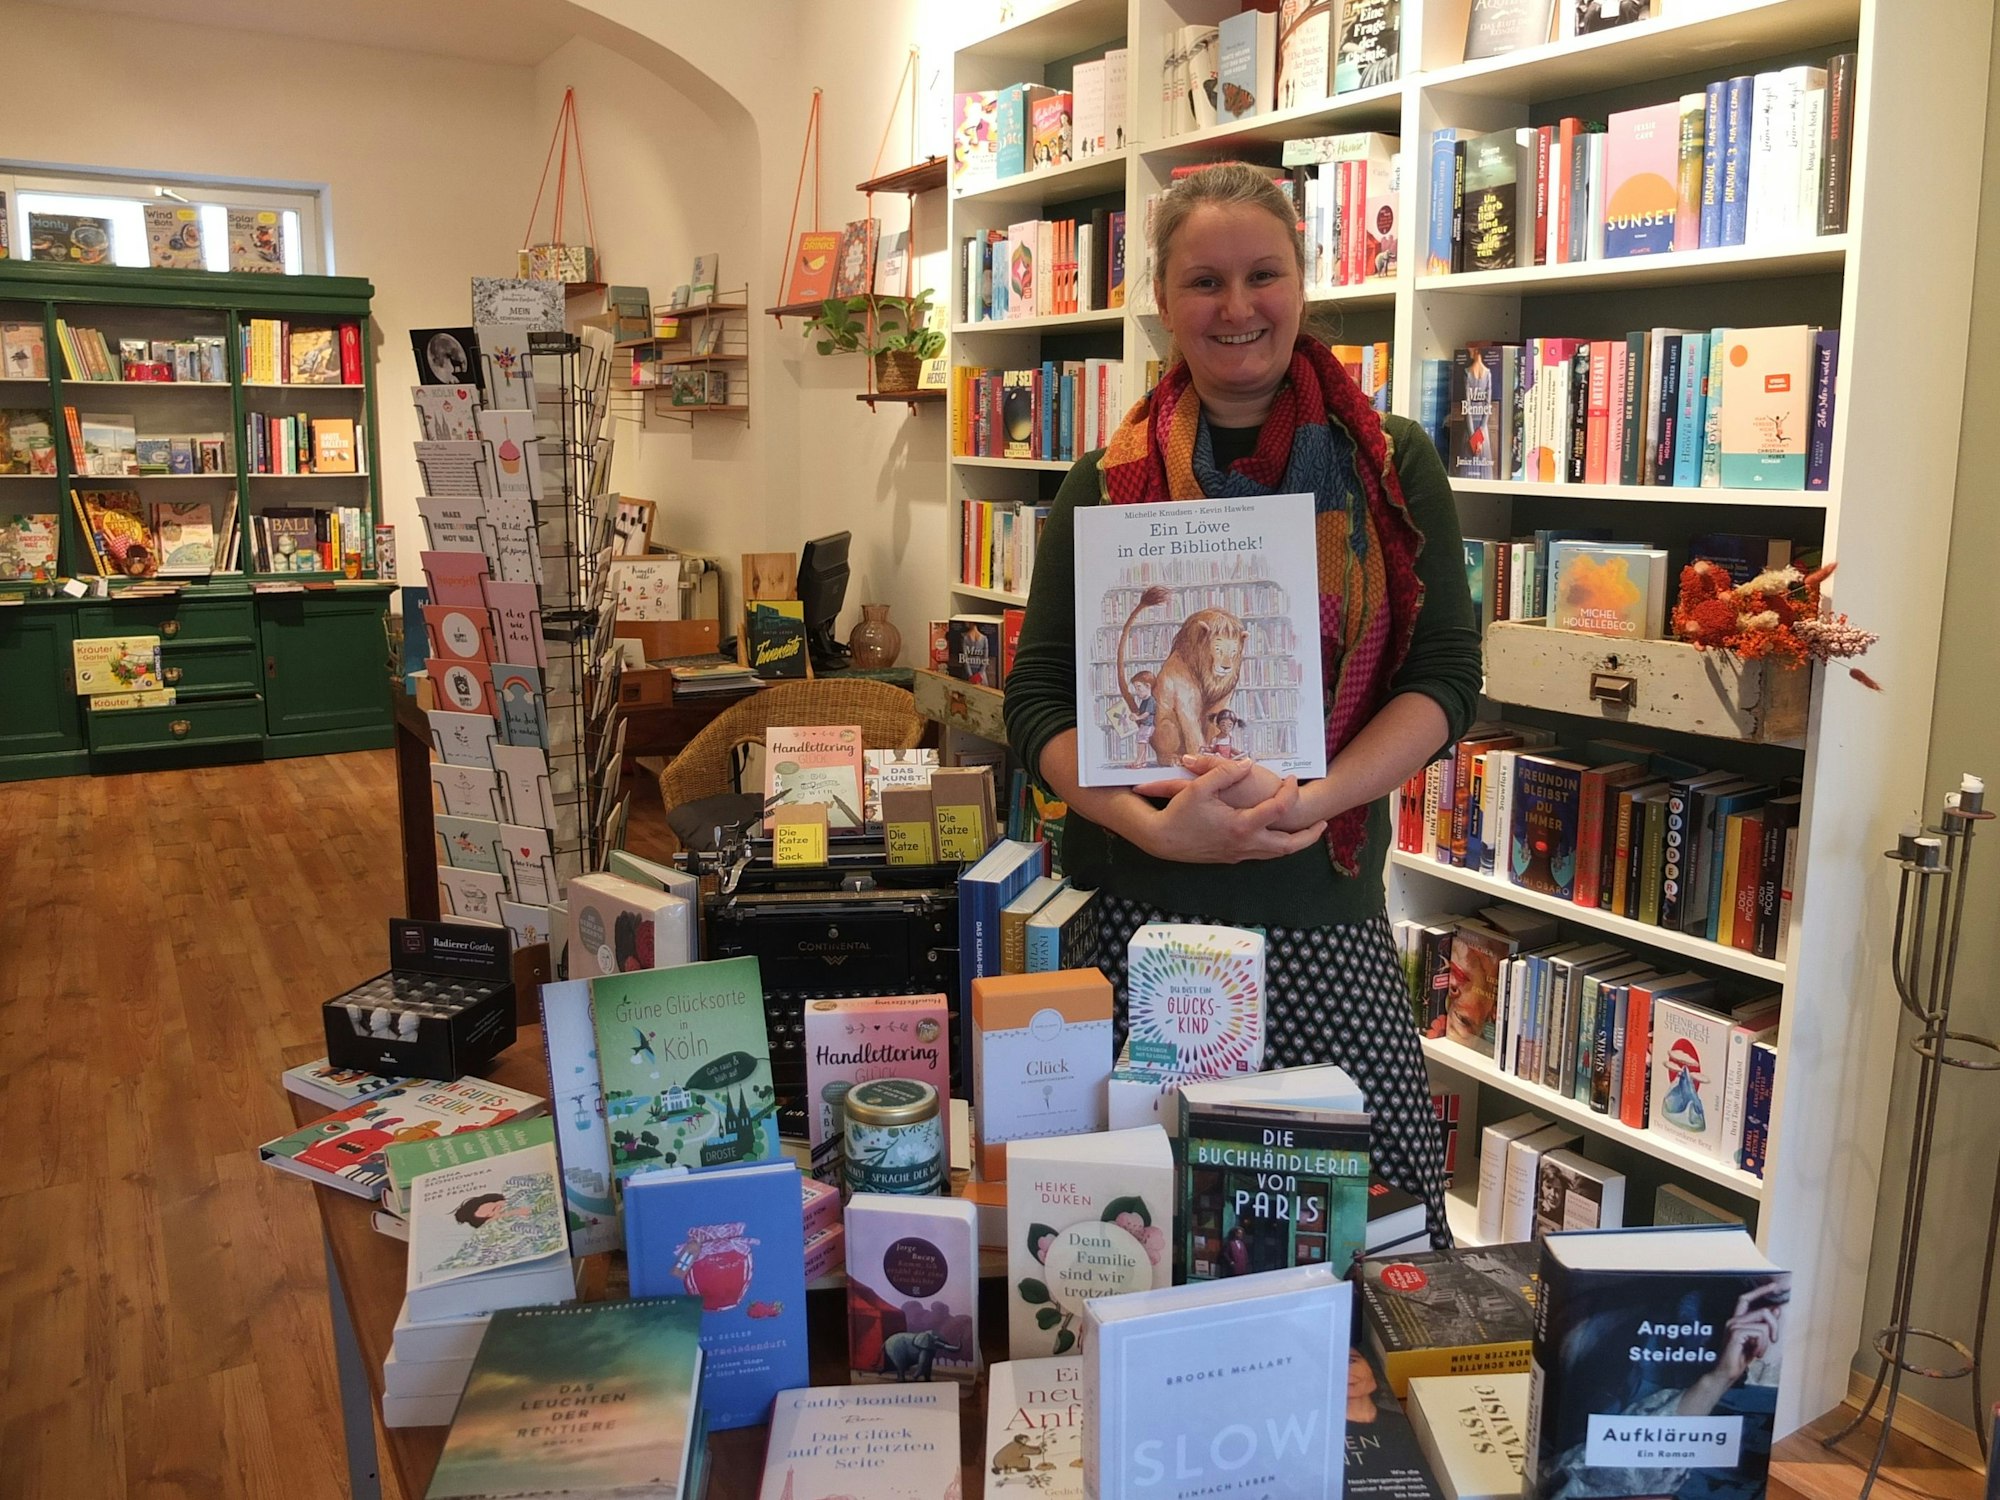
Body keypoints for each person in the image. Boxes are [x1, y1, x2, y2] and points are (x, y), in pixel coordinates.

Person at [1003, 162, 1481, 1244]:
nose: (1235, 307)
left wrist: (1313, 801)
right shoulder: (1103, 481)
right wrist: (1150, 823)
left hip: (1320, 916)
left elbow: (1445, 677)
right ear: (1161, 302)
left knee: (1366, 1246)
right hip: (1133, 921)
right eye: (1202, 281)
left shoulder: (1389, 467)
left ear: (1303, 283)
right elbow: (1035, 700)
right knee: (1130, 1244)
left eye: (1261, 273)